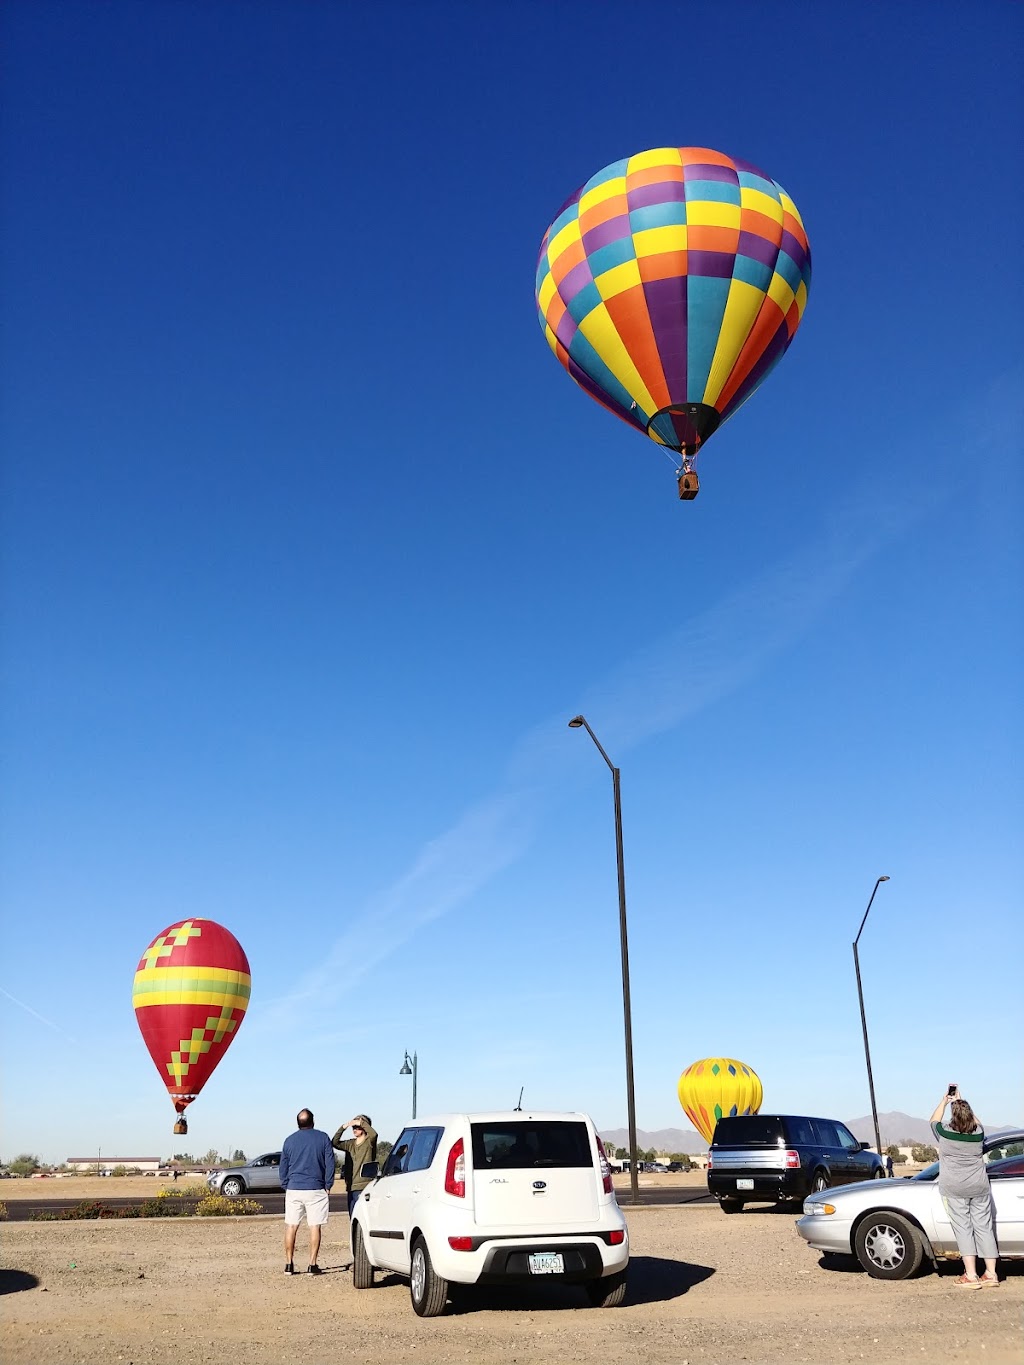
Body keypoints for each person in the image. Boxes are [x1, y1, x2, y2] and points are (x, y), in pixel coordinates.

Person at [929, 1086, 999, 1288]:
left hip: (955, 1188)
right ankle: (991, 1274)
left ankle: (971, 1275)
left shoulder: (945, 1133)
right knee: (984, 1228)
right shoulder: (978, 1134)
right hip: (979, 1187)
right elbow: (977, 1122)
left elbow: (933, 1120)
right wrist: (962, 1101)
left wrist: (945, 1101)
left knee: (964, 1229)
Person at [280, 1108, 336, 1276]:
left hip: (294, 1188)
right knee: (314, 1227)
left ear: (298, 1123)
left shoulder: (289, 1141)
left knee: (291, 1226)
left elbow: (283, 1166)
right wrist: (328, 1184)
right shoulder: (323, 1138)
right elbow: (330, 1162)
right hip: (316, 1188)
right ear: (313, 1121)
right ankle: (312, 1264)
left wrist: (285, 1184)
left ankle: (289, 1264)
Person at [331, 1114, 378, 1216]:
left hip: (364, 1186)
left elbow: (374, 1134)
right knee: (353, 1217)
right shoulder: (350, 1144)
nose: (354, 1129)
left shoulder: (369, 1142)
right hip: (351, 1187)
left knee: (363, 1217)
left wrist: (360, 1122)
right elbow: (335, 1142)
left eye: (357, 1127)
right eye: (353, 1127)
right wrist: (344, 1127)